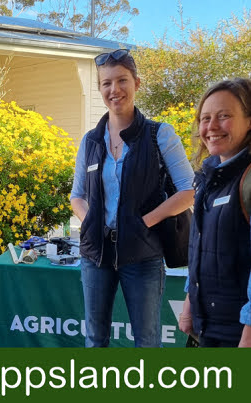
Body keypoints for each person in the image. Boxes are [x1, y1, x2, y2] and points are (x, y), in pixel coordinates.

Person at [70, 49, 195, 347]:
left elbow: (189, 190)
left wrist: (144, 222)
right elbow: (77, 196)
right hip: (95, 254)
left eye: (122, 80)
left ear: (137, 83)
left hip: (142, 253)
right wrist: (91, 223)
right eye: (106, 83)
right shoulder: (90, 140)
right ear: (100, 88)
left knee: (146, 341)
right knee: (94, 339)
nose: (115, 90)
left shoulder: (159, 135)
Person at [178, 78, 251, 348]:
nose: (212, 127)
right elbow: (201, 250)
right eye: (205, 118)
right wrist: (189, 306)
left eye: (225, 116)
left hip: (238, 334)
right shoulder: (208, 178)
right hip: (208, 326)